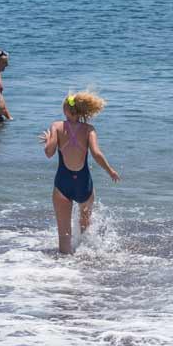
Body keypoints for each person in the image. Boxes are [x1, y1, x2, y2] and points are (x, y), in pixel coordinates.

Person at [43, 91, 120, 255]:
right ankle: (85, 260)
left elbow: (49, 153)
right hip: (84, 184)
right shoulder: (89, 129)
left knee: (64, 236)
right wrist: (110, 170)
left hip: (62, 184)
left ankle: (64, 269)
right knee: (85, 230)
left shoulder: (56, 127)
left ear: (65, 109)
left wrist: (49, 139)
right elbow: (97, 154)